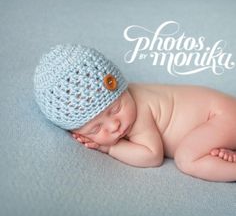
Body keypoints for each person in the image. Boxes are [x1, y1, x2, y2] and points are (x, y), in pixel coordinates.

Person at [34, 44, 236, 182]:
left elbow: (152, 156)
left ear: (121, 87)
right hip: (217, 122)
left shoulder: (140, 110)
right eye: (96, 128)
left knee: (187, 159)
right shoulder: (125, 100)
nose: (114, 125)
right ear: (78, 132)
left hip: (219, 115)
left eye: (116, 109)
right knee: (198, 150)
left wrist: (109, 149)